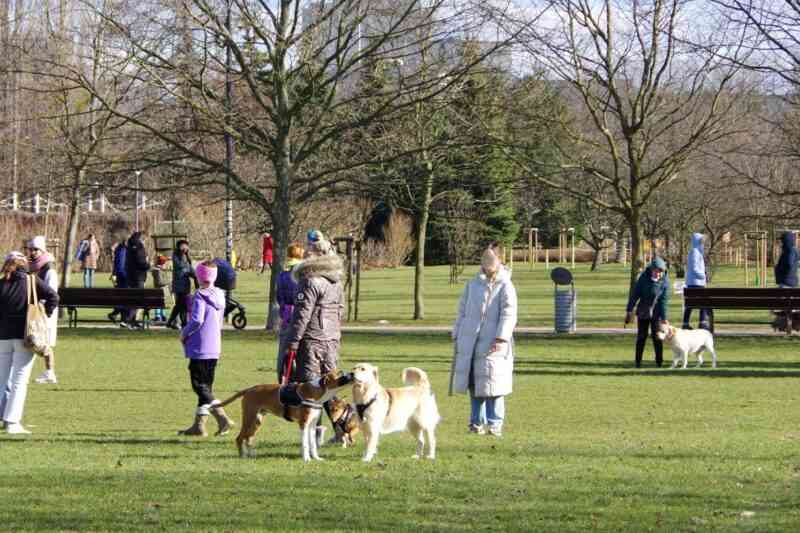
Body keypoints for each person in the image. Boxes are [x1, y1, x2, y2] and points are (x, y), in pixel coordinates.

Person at [451, 245, 518, 437]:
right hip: (470, 342)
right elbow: (462, 311)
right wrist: (457, 332)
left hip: (493, 344)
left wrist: (501, 337)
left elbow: (509, 313)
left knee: (494, 386)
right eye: (485, 259)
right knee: (475, 386)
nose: (487, 264)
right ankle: (475, 423)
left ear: (499, 261)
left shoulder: (506, 286)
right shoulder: (472, 285)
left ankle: (495, 423)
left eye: (491, 260)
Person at [285, 230, 344, 445]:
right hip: (331, 338)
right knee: (331, 385)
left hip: (311, 339)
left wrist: (293, 342)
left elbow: (302, 315)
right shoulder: (336, 280)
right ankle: (342, 429)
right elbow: (340, 310)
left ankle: (314, 433)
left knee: (311, 387)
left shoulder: (309, 281)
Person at [0, 252, 58, 434]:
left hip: (2, 337)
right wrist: (45, 313)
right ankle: (12, 422)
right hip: (26, 336)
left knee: (1, 380)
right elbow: (53, 297)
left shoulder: (1, 283)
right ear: (24, 264)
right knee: (19, 380)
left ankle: (7, 419)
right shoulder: (31, 281)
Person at [177, 260, 235, 437]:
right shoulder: (220, 294)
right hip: (214, 346)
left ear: (199, 276)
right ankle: (199, 426)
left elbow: (197, 320)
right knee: (206, 387)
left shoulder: (200, 295)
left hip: (199, 346)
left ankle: (223, 418)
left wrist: (184, 333)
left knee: (200, 386)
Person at [625, 257, 670, 368]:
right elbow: (635, 295)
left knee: (657, 337)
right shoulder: (643, 278)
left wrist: (664, 317)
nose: (658, 274)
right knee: (642, 336)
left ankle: (659, 362)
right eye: (656, 271)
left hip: (657, 312)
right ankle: (638, 362)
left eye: (661, 272)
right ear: (651, 269)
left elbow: (664, 300)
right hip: (643, 310)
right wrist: (629, 310)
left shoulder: (665, 281)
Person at [27, 237, 60, 385]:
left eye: (36, 249)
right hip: (35, 310)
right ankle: (48, 372)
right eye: (31, 249)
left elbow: (51, 292)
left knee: (41, 342)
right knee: (35, 341)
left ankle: (49, 373)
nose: (32, 252)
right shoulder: (35, 268)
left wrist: (44, 310)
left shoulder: (49, 270)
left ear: (42, 250)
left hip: (44, 311)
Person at [275, 242, 304, 382]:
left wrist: (283, 309)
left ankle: (282, 376)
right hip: (301, 314)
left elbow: (279, 296)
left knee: (284, 350)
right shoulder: (304, 274)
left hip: (286, 314)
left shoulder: (282, 274)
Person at [683, 233, 712, 331]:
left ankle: (686, 323)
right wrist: (704, 275)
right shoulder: (695, 252)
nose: (703, 244)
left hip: (694, 282)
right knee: (703, 302)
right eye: (702, 242)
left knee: (691, 303)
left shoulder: (696, 251)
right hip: (696, 282)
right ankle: (702, 322)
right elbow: (695, 268)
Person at [122, 231, 150, 329]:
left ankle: (132, 321)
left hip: (130, 277)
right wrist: (148, 266)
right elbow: (141, 262)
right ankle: (128, 319)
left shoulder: (129, 247)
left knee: (133, 298)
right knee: (138, 299)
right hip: (139, 277)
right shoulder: (139, 248)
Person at [167, 240, 195, 330]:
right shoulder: (176, 255)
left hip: (185, 285)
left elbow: (190, 268)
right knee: (181, 304)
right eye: (183, 246)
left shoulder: (186, 256)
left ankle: (174, 322)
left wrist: (195, 275)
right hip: (179, 285)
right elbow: (181, 266)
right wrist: (184, 255)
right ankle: (181, 323)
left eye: (186, 246)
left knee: (181, 304)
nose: (185, 248)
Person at [108, 236, 128, 322]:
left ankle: (116, 313)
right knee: (124, 297)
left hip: (117, 275)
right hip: (123, 276)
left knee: (120, 296)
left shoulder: (118, 250)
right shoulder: (124, 251)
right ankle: (120, 316)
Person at [151, 255, 169, 323]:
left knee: (162, 302)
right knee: (159, 302)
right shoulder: (157, 270)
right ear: (162, 263)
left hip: (161, 289)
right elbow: (159, 282)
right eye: (164, 262)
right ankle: (158, 316)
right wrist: (168, 282)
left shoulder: (159, 270)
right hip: (160, 289)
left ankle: (163, 315)